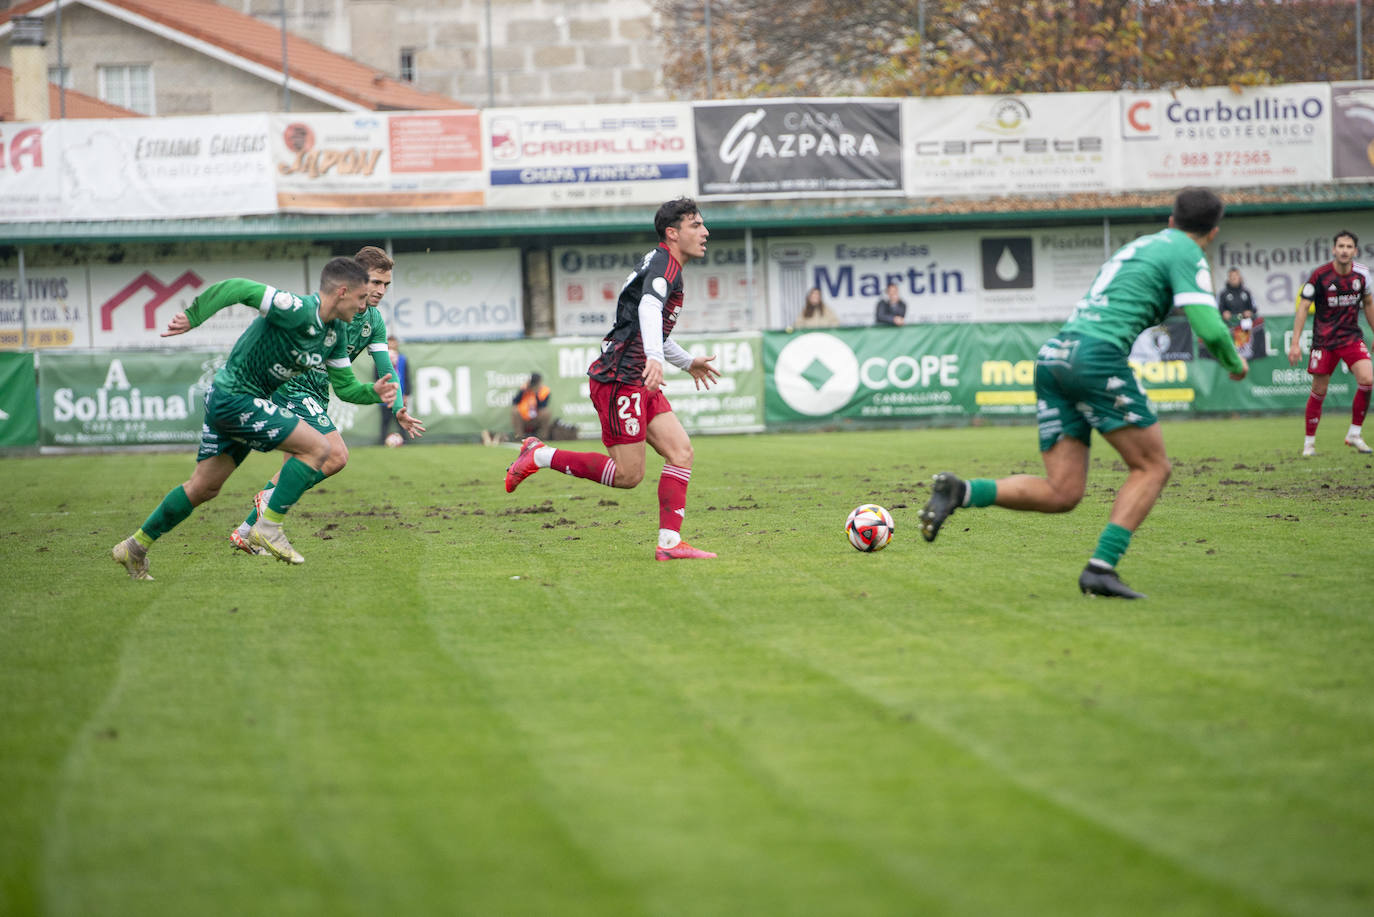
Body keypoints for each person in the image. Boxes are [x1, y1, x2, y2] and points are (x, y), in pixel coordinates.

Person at [917, 187, 1249, 599]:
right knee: (1152, 468)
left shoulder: (1139, 247)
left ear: (1170, 219)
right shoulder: (1186, 252)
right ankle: (1100, 569)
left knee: (1063, 492)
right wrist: (1235, 364)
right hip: (1096, 357)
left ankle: (961, 491)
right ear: (1213, 231)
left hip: (1056, 354)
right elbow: (1211, 326)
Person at [111, 257, 399, 579]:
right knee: (320, 449)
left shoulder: (335, 335)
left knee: (203, 488)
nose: (365, 307)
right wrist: (194, 317)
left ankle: (135, 547)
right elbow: (235, 288)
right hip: (233, 397)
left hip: (242, 402)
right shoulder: (295, 309)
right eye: (362, 298)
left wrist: (376, 392)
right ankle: (267, 527)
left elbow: (346, 388)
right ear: (343, 292)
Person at [503, 197, 722, 560]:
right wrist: (653, 357)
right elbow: (648, 307)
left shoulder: (663, 264)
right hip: (621, 378)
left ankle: (669, 544)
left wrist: (685, 362)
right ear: (672, 233)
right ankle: (540, 454)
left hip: (638, 376)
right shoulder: (665, 263)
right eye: (696, 225)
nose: (705, 232)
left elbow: (648, 325)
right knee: (627, 475)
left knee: (681, 452)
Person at [229, 247, 425, 556]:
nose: (380, 291)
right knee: (336, 456)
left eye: (386, 285)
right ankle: (268, 507)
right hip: (292, 387)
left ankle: (246, 532)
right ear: (356, 278)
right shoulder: (327, 307)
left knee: (296, 466)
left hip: (318, 394)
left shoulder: (373, 322)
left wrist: (398, 406)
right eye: (375, 282)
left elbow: (387, 371)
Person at [1287, 230, 1374, 456]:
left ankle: (1354, 433)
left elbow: (1368, 303)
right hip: (1324, 341)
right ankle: (1309, 443)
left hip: (1351, 337)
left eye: (1349, 246)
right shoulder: (1319, 276)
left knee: (1367, 379)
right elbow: (1303, 307)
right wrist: (1295, 343)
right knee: (1319, 389)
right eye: (1341, 246)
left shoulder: (1363, 275)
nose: (1344, 250)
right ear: (1333, 250)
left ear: (1355, 250)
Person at [378, 334, 415, 445]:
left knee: (401, 419)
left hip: (400, 395)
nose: (392, 344)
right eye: (389, 342)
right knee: (385, 420)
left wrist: (406, 394)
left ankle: (405, 441)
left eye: (393, 342)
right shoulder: (380, 359)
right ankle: (382, 442)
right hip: (386, 397)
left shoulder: (402, 359)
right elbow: (376, 376)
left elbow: (407, 377)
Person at [510, 372, 556, 441]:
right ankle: (520, 437)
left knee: (546, 412)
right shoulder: (525, 388)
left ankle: (543, 437)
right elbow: (515, 401)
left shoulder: (544, 390)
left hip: (537, 417)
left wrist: (536, 393)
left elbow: (543, 405)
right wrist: (524, 390)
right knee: (514, 410)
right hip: (524, 417)